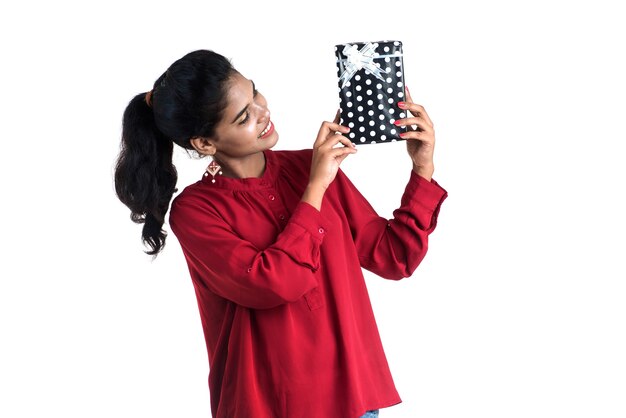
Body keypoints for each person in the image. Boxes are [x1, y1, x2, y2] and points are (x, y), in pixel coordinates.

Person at [114, 49, 447, 418]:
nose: (262, 112)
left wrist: (422, 167)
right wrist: (316, 188)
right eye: (243, 117)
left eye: (254, 93)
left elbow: (394, 257)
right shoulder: (196, 211)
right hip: (271, 405)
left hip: (354, 400)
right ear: (205, 144)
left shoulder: (310, 166)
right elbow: (277, 283)